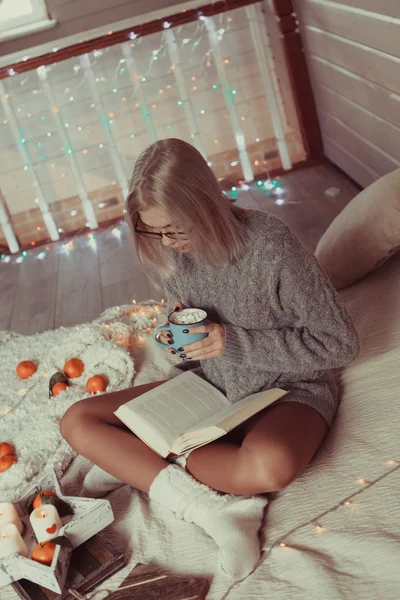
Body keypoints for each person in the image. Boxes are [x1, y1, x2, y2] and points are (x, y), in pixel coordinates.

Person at [60, 138, 359, 578]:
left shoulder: (270, 246)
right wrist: (173, 338)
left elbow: (340, 343)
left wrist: (230, 342)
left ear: (205, 203)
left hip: (286, 391)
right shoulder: (176, 253)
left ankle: (145, 466)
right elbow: (189, 335)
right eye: (154, 230)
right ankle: (214, 511)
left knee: (268, 466)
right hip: (211, 387)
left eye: (175, 228)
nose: (167, 241)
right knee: (77, 420)